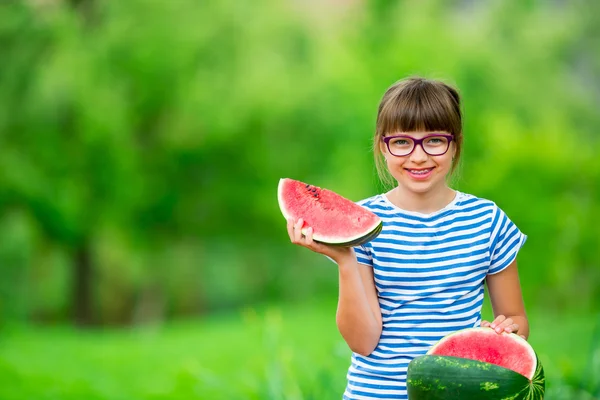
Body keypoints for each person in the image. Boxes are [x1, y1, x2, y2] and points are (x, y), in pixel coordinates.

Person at [286, 77, 530, 399]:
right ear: (381, 145)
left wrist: (505, 333)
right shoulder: (366, 223)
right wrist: (345, 259)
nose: (418, 156)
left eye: (434, 141)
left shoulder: (487, 221)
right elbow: (363, 341)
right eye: (401, 142)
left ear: (455, 144)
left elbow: (516, 319)